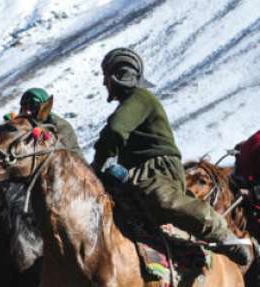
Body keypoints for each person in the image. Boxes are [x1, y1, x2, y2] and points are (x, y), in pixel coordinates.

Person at [92, 47, 251, 266]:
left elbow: (115, 131)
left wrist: (99, 163)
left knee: (162, 200)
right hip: (137, 170)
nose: (104, 84)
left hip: (155, 168)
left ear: (119, 76)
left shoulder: (140, 97)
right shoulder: (132, 103)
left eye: (106, 78)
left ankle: (222, 234)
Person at [18, 87, 80, 152]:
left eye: (33, 105)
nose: (28, 111)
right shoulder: (22, 126)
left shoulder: (59, 126)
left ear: (44, 105)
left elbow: (74, 155)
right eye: (24, 105)